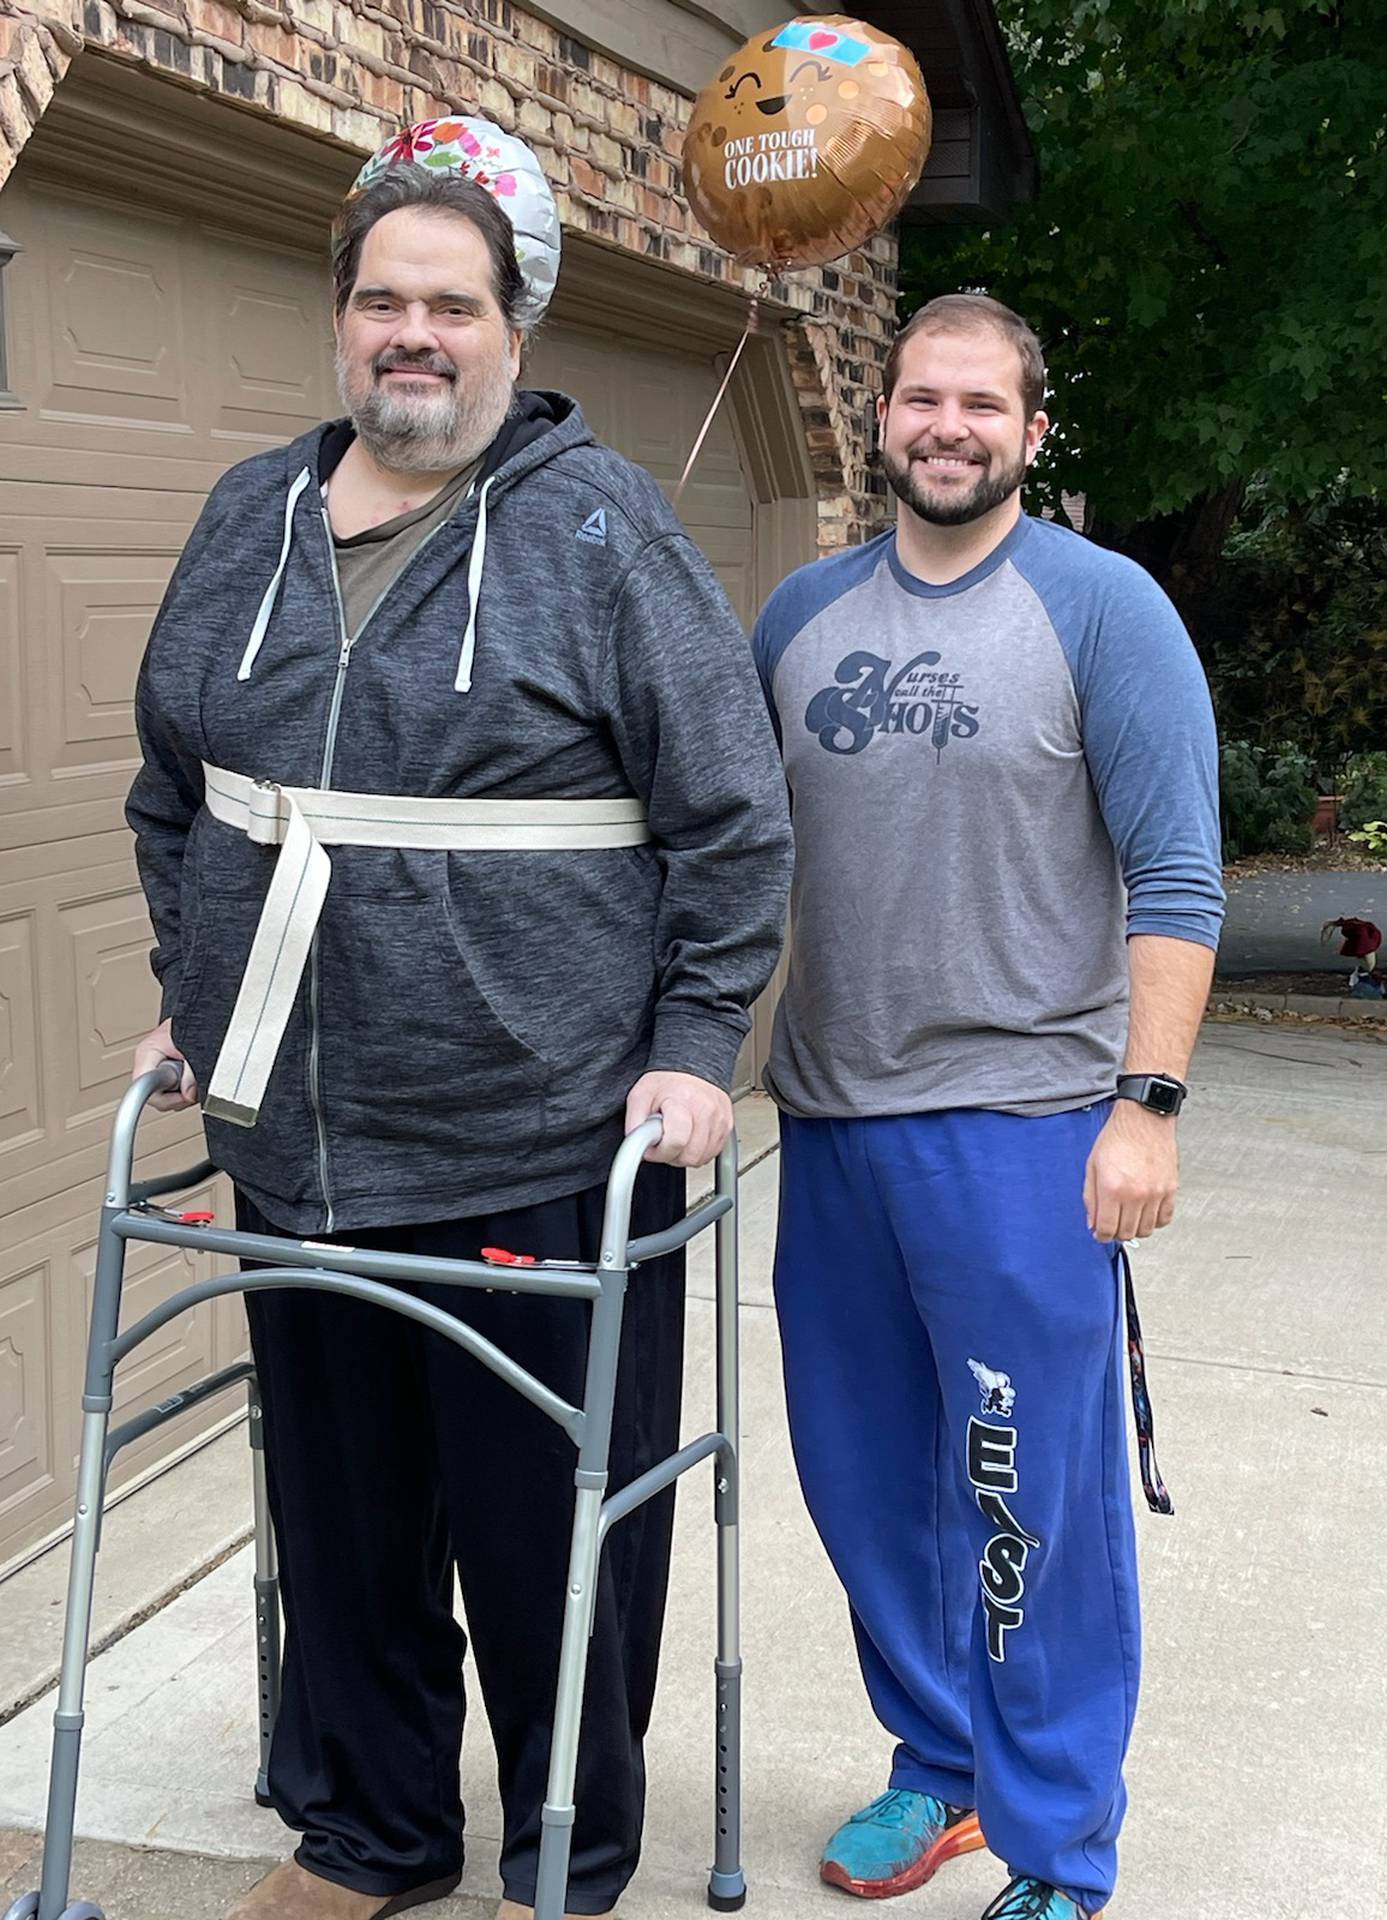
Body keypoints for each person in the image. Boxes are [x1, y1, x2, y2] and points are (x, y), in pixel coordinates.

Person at [125, 122, 791, 1920]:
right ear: (339, 322)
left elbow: (733, 816)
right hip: (295, 1134)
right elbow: (175, 791)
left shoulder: (601, 531)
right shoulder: (248, 516)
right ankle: (373, 1832)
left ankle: (561, 1864)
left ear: (516, 327)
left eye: (450, 305)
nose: (411, 335)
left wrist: (695, 1039)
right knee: (342, 1523)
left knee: (549, 1534)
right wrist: (201, 1001)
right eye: (380, 302)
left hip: (541, 1131)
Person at [752, 294, 1225, 1920]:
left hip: (1026, 1131)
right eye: (920, 398)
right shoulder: (799, 618)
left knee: (1025, 1492)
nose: (946, 426)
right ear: (882, 418)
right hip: (832, 1125)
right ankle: (938, 1767)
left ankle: (1057, 1838)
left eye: (982, 404)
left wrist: (1144, 1107)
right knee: (867, 1479)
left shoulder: (1105, 612)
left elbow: (1177, 875)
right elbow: (733, 858)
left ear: (1031, 432)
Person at [1321, 914, 1383, 988]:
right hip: (1366, 942)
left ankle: (1360, 977)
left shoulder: (1366, 936)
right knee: (1368, 964)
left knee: (1367, 963)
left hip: (1365, 941)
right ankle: (1361, 977)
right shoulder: (1367, 937)